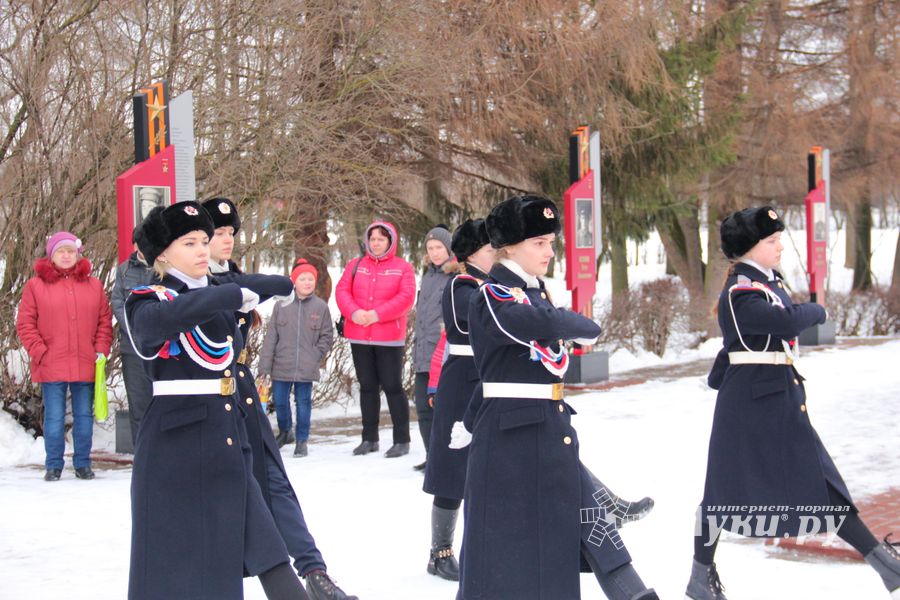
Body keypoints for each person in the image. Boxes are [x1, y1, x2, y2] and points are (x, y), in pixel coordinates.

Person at [685, 206, 900, 600]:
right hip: (751, 404)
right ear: (749, 249)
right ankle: (700, 576)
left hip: (776, 396)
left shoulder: (766, 281)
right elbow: (784, 322)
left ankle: (884, 563)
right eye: (771, 240)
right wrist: (815, 309)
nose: (780, 245)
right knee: (720, 493)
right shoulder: (741, 290)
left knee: (822, 482)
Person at [457, 195, 659, 600]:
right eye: (540, 243)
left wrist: (569, 324)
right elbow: (540, 324)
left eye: (551, 242)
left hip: (548, 431)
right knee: (503, 553)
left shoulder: (533, 292)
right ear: (510, 246)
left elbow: (550, 329)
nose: (550, 252)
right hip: (512, 440)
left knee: (595, 531)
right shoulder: (494, 295)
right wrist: (574, 324)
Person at [124, 201, 309, 600]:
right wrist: (226, 295)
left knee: (269, 553)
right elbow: (157, 326)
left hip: (227, 441)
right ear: (161, 254)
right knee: (179, 566)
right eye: (189, 243)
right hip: (176, 451)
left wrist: (256, 289)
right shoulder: (147, 298)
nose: (202, 250)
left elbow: (271, 285)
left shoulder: (217, 295)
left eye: (205, 240)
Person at [202, 198, 356, 600]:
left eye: (231, 233)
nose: (227, 241)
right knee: (228, 499)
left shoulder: (230, 277)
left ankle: (314, 571)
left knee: (275, 484)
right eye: (218, 233)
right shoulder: (196, 284)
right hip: (209, 402)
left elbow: (264, 285)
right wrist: (250, 290)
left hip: (241, 393)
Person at [419, 218, 493, 581]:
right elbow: (473, 323)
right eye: (491, 247)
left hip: (489, 378)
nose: (497, 253)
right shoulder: (459, 285)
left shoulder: (495, 283)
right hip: (462, 380)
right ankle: (440, 551)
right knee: (452, 468)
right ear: (473, 252)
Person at [16, 231, 112, 482]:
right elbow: (25, 324)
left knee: (83, 416)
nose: (67, 255)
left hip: (85, 361)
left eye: (71, 251)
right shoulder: (35, 286)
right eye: (61, 251)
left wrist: (100, 350)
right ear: (52, 256)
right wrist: (40, 352)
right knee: (55, 417)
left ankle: (83, 463)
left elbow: (104, 322)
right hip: (51, 363)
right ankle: (54, 465)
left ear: (78, 254)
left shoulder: (93, 285)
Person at [335, 220, 416, 458]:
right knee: (368, 387)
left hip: (389, 337)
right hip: (359, 335)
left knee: (392, 386)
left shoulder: (403, 267)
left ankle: (402, 440)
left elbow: (406, 298)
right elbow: (342, 291)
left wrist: (377, 315)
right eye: (372, 239)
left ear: (390, 242)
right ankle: (369, 438)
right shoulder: (355, 265)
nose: (376, 243)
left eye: (381, 239)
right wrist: (354, 312)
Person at [258, 258, 335, 457]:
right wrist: (264, 367)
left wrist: (315, 355)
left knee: (303, 403)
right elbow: (271, 337)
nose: (307, 282)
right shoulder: (281, 306)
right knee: (281, 402)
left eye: (311, 279)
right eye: (303, 279)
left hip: (306, 367)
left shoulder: (320, 307)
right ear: (294, 281)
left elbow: (327, 336)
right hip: (281, 365)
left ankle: (302, 439)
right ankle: (285, 432)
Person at [411, 224, 454, 471]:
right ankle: (432, 456)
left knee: (443, 410)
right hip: (422, 353)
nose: (435, 252)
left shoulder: (455, 276)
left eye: (439, 247)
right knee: (423, 409)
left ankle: (446, 458)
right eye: (431, 248)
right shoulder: (427, 275)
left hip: (443, 354)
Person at [111, 228, 154, 445]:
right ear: (135, 245)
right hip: (132, 347)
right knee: (138, 404)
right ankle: (142, 455)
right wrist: (133, 327)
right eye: (142, 242)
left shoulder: (165, 268)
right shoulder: (124, 270)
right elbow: (117, 301)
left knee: (162, 404)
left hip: (160, 347)